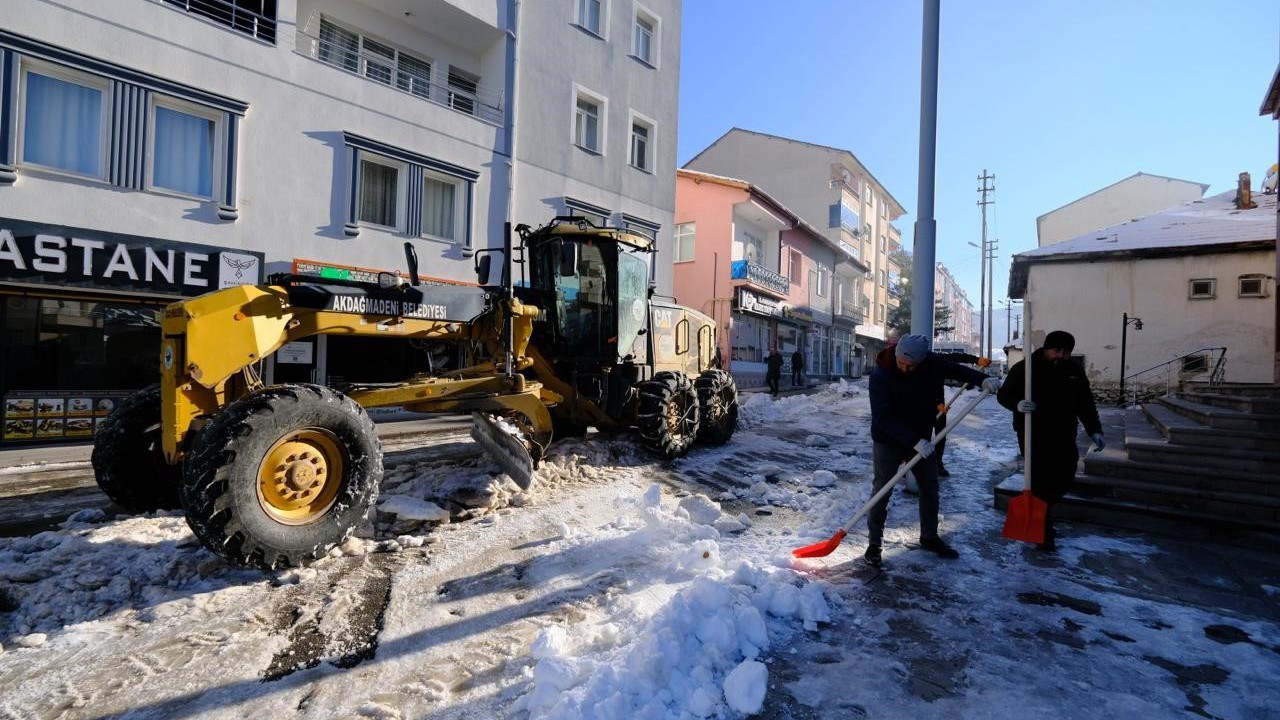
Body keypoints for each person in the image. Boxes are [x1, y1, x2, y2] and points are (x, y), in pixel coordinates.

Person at [866, 334, 1000, 566]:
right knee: (882, 489)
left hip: (921, 436)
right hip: (888, 439)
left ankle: (929, 536)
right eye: (902, 364)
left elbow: (958, 371)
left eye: (911, 365)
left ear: (922, 360)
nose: (906, 369)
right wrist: (912, 441)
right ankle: (874, 544)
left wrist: (983, 379)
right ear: (896, 356)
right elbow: (882, 417)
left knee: (929, 486)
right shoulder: (881, 374)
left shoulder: (931, 362)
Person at [996, 330, 1104, 551]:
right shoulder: (1025, 369)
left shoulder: (1073, 370)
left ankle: (1042, 516)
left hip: (1064, 433)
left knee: (1065, 475)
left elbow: (1085, 402)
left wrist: (1094, 430)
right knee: (1040, 481)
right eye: (1057, 350)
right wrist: (1017, 404)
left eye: (1066, 352)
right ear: (1046, 348)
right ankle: (1043, 533)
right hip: (1033, 432)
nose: (1061, 355)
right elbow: (1004, 394)